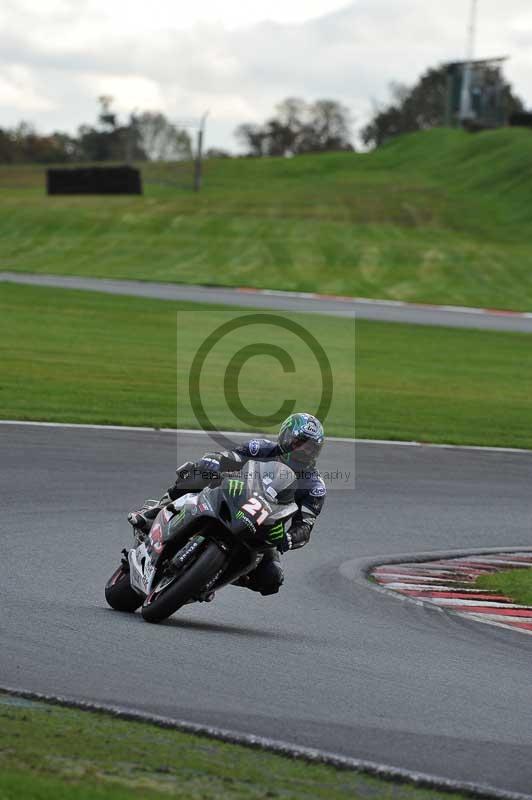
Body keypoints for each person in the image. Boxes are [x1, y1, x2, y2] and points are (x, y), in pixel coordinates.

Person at [128, 412, 327, 597]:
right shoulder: (261, 448)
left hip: (264, 527)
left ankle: (213, 578)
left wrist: (289, 539)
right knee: (200, 473)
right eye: (300, 442)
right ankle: (154, 511)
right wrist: (213, 461)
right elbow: (228, 457)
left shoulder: (314, 486)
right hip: (233, 497)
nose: (303, 450)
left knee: (271, 579)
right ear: (285, 437)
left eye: (310, 447)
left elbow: (305, 526)